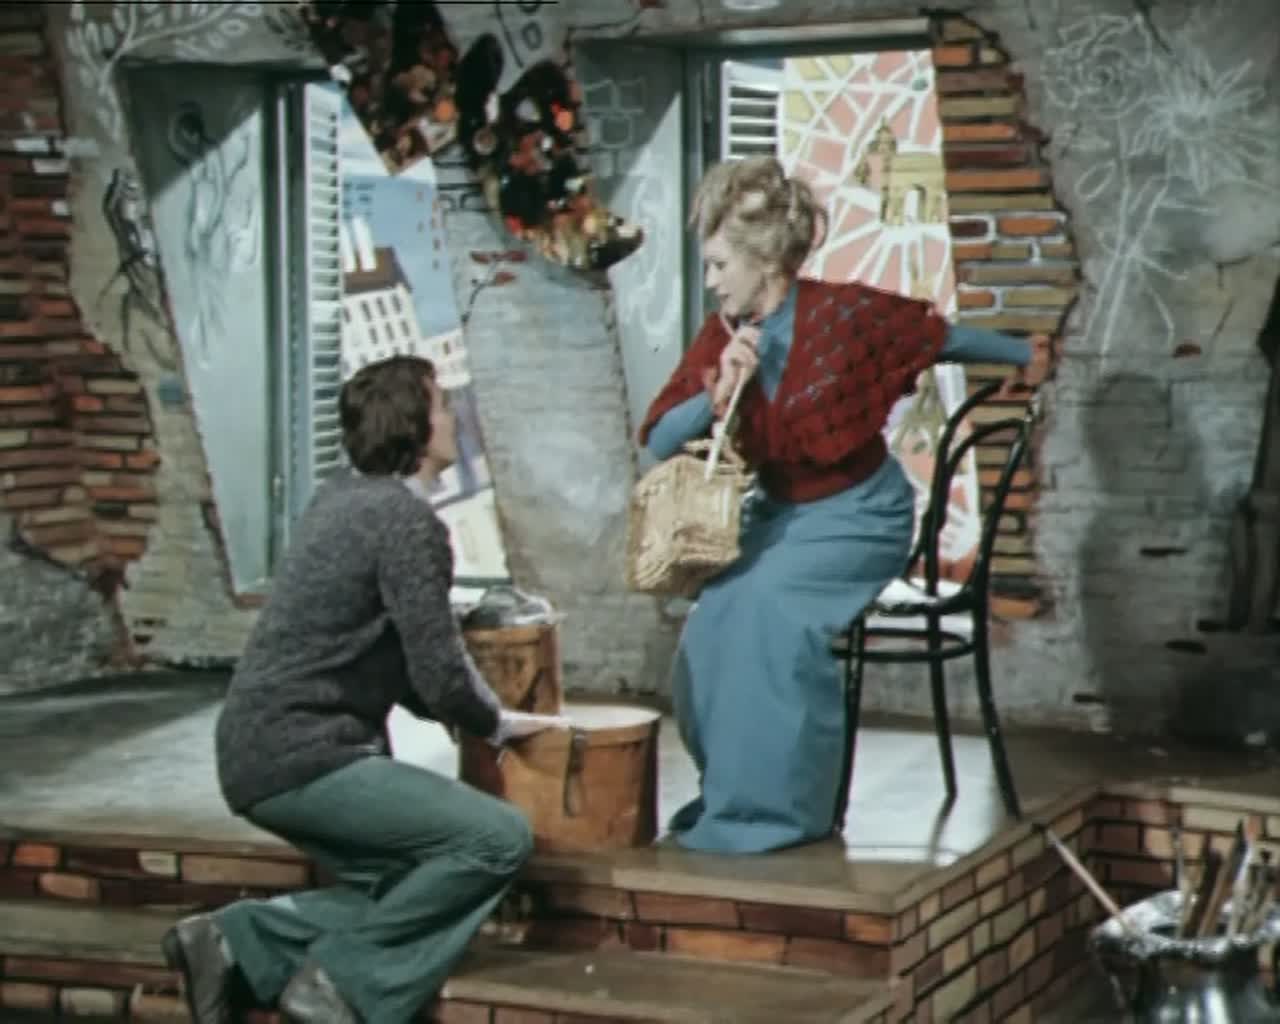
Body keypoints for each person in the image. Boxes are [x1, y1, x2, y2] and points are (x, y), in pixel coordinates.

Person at [638, 156, 1049, 855]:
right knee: (711, 623)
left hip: (861, 515)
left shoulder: (840, 316)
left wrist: (1021, 354)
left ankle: (784, 812)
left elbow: (935, 338)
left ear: (767, 262)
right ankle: (733, 794)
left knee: (767, 613)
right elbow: (658, 440)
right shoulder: (721, 335)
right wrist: (718, 396)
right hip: (778, 515)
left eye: (719, 265)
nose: (710, 282)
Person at [162, 355, 560, 1024]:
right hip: (306, 756)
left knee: (410, 886)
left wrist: (476, 713)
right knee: (496, 840)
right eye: (441, 405)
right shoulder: (407, 523)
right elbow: (437, 669)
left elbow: (395, 659)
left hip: (257, 751)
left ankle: (234, 940)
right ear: (413, 425)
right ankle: (340, 987)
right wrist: (492, 722)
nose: (453, 418)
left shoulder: (342, 498)